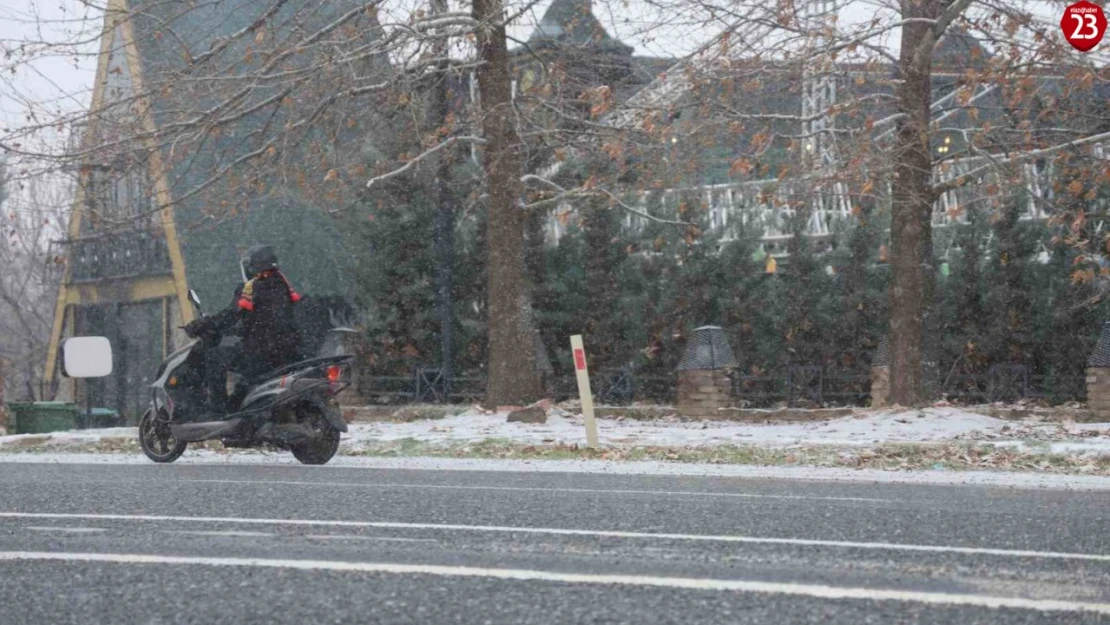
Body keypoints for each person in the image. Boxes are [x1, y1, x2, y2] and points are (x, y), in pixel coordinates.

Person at [184, 245, 305, 414]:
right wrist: (234, 331)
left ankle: (218, 410)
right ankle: (240, 413)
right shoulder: (282, 285)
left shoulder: (252, 287)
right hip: (286, 353)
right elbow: (265, 321)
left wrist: (202, 324)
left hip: (262, 352)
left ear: (252, 266)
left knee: (214, 357)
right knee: (244, 383)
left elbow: (231, 314)